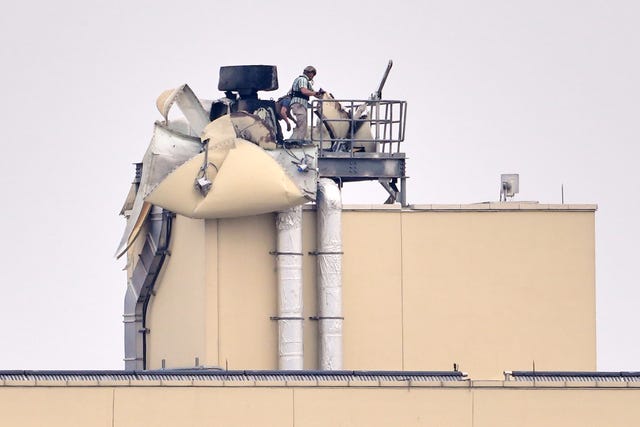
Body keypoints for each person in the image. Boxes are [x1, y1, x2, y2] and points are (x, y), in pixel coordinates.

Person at [289, 65, 323, 140]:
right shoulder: (303, 79)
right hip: (299, 104)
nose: (313, 76)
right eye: (313, 74)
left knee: (302, 123)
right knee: (302, 125)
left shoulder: (306, 81)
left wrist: (323, 94)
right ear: (309, 73)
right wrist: (315, 93)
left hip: (301, 105)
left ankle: (299, 140)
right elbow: (304, 91)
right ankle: (299, 142)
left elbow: (313, 93)